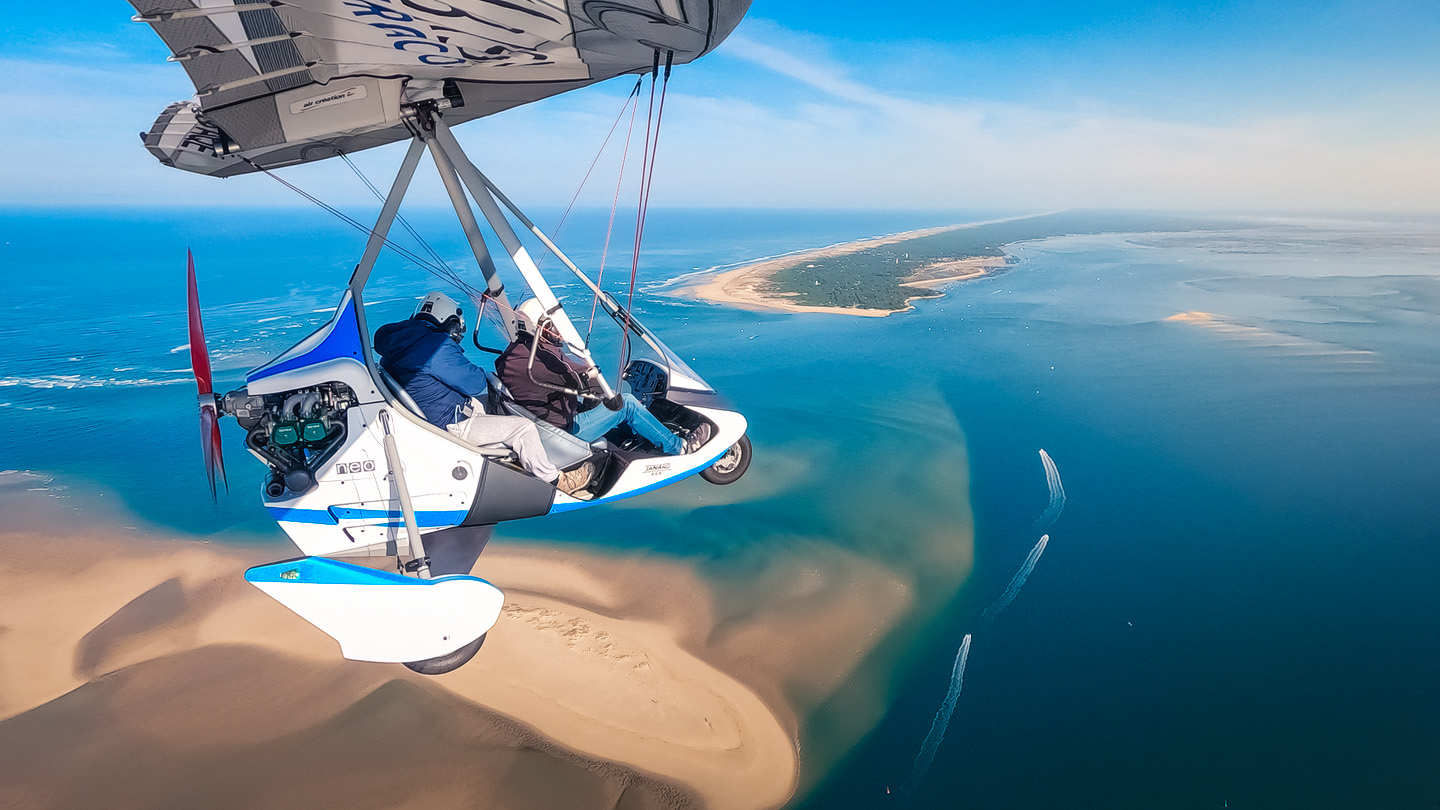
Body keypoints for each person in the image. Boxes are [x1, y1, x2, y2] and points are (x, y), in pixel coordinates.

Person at [373, 291, 592, 494]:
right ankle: (557, 480)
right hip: (450, 422)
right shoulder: (435, 347)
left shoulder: (400, 342)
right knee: (523, 427)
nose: (457, 335)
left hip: (431, 411)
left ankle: (528, 454)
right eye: (456, 330)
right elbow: (475, 383)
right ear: (447, 324)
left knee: (495, 399)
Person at [495, 299, 711, 455]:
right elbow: (584, 378)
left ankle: (637, 435)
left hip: (542, 425)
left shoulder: (512, 354)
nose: (558, 332)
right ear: (540, 326)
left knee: (600, 404)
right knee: (626, 404)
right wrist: (600, 387)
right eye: (553, 326)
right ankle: (680, 447)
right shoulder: (542, 360)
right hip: (563, 434)